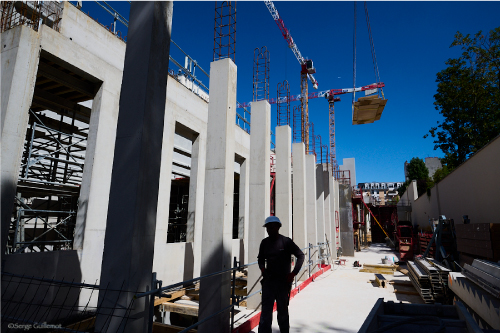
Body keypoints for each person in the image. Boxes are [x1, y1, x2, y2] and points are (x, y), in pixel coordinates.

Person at [257, 216, 305, 333]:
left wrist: (294, 273)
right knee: (266, 313)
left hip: (283, 284)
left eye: (271, 227)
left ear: (278, 227)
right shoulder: (264, 243)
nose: (269, 230)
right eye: (267, 228)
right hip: (268, 283)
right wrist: (263, 269)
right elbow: (260, 259)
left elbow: (301, 255)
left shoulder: (286, 242)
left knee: (282, 312)